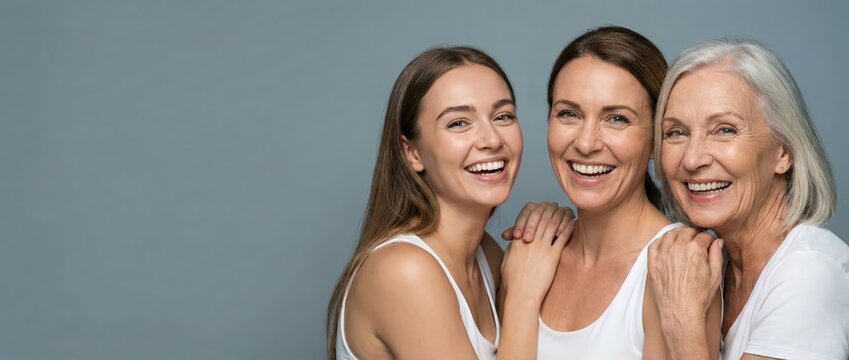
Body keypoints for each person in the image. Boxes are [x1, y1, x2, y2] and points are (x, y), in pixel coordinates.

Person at [325, 46, 574, 360]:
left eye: (503, 116)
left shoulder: (487, 255)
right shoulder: (403, 271)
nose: (492, 139)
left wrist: (543, 235)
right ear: (411, 153)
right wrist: (523, 296)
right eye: (459, 123)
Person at [502, 26, 722, 358]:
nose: (586, 143)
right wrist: (520, 292)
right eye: (569, 114)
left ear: (655, 142)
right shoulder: (527, 259)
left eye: (617, 119)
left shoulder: (678, 268)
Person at [648, 38, 849, 359]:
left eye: (725, 130)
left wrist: (682, 322)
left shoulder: (810, 272)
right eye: (676, 133)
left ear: (784, 152)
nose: (692, 159)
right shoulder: (712, 269)